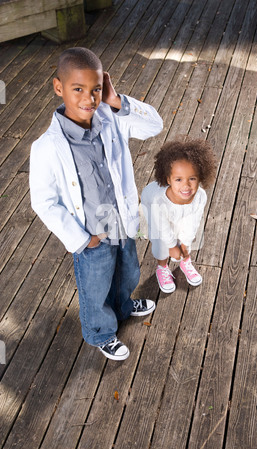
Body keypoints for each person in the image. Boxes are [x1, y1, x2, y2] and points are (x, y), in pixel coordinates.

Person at [29, 47, 163, 361]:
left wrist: (117, 101)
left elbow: (153, 126)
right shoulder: (47, 147)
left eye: (96, 89)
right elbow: (44, 201)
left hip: (123, 223)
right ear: (58, 87)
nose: (89, 98)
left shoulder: (111, 118)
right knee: (95, 287)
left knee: (128, 273)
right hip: (92, 237)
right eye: (78, 89)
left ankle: (124, 306)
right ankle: (101, 332)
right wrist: (80, 239)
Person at [141, 139, 216, 293]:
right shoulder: (157, 201)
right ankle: (162, 267)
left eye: (192, 178)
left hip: (183, 215)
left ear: (200, 177)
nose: (186, 185)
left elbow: (193, 222)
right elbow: (162, 227)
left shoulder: (200, 196)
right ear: (168, 180)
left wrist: (184, 244)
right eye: (179, 179)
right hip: (156, 215)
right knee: (161, 243)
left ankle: (185, 262)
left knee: (185, 237)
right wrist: (171, 245)